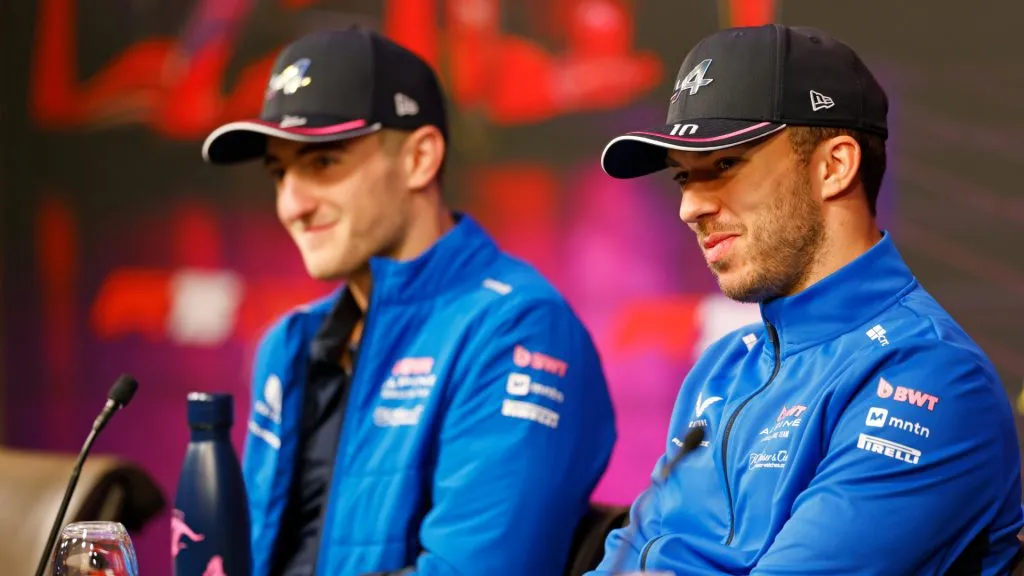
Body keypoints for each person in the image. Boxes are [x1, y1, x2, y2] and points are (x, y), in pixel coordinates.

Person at [592, 24, 1023, 575]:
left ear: (834, 166)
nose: (690, 208)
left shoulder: (928, 377)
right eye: (683, 178)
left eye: (725, 165)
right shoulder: (721, 369)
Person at [200, 27, 617, 576]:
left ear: (420, 158)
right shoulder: (288, 344)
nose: (291, 205)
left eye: (322, 163)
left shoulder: (518, 330)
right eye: (279, 174)